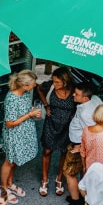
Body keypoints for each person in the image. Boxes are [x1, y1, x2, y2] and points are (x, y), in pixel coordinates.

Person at [61, 104, 103, 205]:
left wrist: (84, 166)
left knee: (90, 189)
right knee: (98, 195)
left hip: (90, 166)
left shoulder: (86, 130)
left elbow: (83, 151)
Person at [59, 82, 102, 205]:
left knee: (69, 172)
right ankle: (82, 198)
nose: (73, 95)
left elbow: (92, 133)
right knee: (84, 172)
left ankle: (76, 203)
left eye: (77, 94)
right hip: (81, 143)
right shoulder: (95, 99)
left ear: (85, 98)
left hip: (79, 143)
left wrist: (80, 147)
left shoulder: (86, 114)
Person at [1, 69, 42, 203]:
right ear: (24, 85)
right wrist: (29, 115)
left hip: (23, 132)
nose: (35, 86)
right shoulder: (11, 99)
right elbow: (9, 123)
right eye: (33, 84)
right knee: (9, 161)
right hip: (14, 134)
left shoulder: (25, 93)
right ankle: (4, 188)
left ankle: (10, 182)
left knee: (16, 160)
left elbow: (25, 110)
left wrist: (32, 112)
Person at [37, 67, 76, 197]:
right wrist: (46, 105)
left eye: (58, 82)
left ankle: (59, 179)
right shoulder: (50, 87)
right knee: (47, 151)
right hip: (51, 124)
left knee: (64, 152)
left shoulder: (74, 90)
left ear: (65, 81)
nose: (55, 84)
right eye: (54, 81)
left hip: (67, 127)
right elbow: (39, 89)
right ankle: (44, 179)